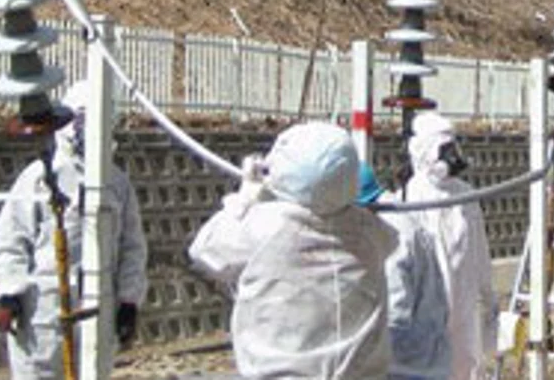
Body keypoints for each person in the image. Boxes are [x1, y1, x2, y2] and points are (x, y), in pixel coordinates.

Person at [189, 122, 396, 378]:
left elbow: (205, 249)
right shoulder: (369, 230)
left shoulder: (266, 224)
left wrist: (245, 198)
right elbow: (391, 239)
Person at [0, 80, 149, 378]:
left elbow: (132, 247)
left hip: (98, 309)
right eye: (83, 120)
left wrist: (129, 302)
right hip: (43, 312)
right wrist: (9, 294)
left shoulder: (116, 183)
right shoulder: (40, 176)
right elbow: (12, 240)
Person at [400, 113, 494, 380]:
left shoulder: (464, 193)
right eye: (443, 149)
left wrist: (489, 299)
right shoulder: (414, 194)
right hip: (429, 309)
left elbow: (479, 250)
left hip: (464, 306)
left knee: (466, 363)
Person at [359, 163, 452, 379]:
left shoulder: (386, 230)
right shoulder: (401, 217)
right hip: (427, 360)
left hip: (404, 367)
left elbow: (395, 314)